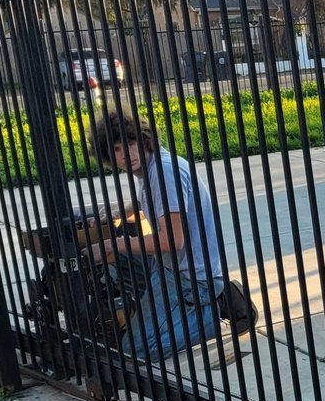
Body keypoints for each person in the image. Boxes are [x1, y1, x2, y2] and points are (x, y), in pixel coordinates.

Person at [86, 111, 229, 363]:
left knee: (133, 351)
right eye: (116, 149)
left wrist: (112, 244)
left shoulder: (164, 174)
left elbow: (171, 240)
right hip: (169, 267)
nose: (125, 154)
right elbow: (149, 200)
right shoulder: (152, 168)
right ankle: (156, 310)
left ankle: (211, 315)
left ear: (144, 140)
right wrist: (118, 212)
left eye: (130, 144)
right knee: (119, 259)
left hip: (192, 280)